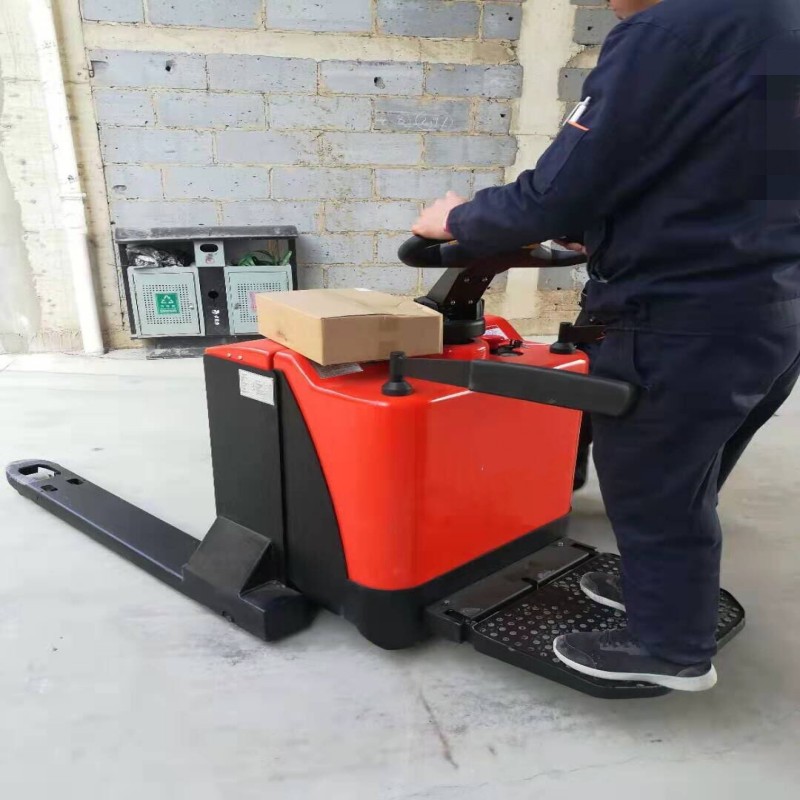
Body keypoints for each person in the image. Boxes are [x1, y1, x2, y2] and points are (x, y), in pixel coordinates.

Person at [412, 0, 800, 692]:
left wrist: (458, 220)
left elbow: (557, 191)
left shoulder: (666, 32)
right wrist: (628, 225)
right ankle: (658, 588)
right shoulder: (778, 21)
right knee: (690, 472)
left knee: (653, 484)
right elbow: (723, 167)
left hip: (680, 317)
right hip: (774, 307)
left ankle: (670, 646)